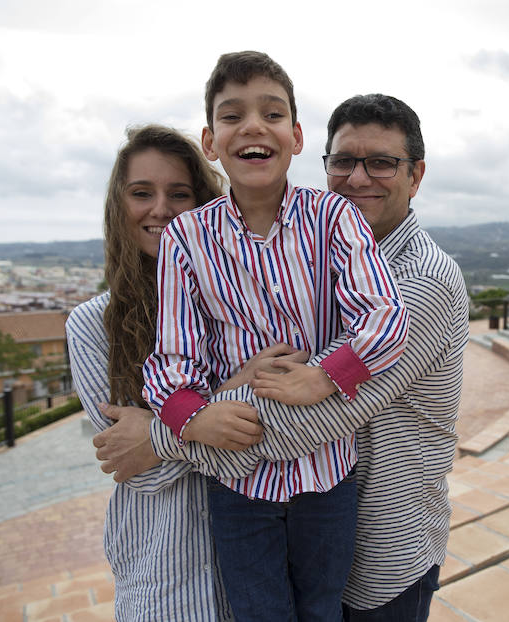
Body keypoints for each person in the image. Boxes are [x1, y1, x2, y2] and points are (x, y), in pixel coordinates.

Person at [96, 94, 469, 621]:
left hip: (383, 560)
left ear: (417, 174)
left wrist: (158, 435)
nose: (358, 178)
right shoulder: (328, 257)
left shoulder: (419, 282)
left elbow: (306, 419)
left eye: (382, 162)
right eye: (342, 161)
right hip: (318, 534)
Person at [140, 52, 409, 621]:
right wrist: (192, 417)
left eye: (272, 113)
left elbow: (386, 318)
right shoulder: (187, 239)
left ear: (297, 136)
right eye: (233, 116)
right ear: (212, 142)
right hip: (238, 482)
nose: (254, 126)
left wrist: (324, 376)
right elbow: (170, 362)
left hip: (327, 474)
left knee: (321, 611)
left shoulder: (334, 217)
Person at [66, 124, 238, 620]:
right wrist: (235, 387)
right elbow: (139, 467)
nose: (160, 209)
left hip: (260, 562)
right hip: (163, 575)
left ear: (205, 204)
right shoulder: (93, 324)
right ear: (119, 206)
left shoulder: (238, 303)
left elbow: (271, 431)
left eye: (179, 193)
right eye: (142, 193)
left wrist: (157, 432)